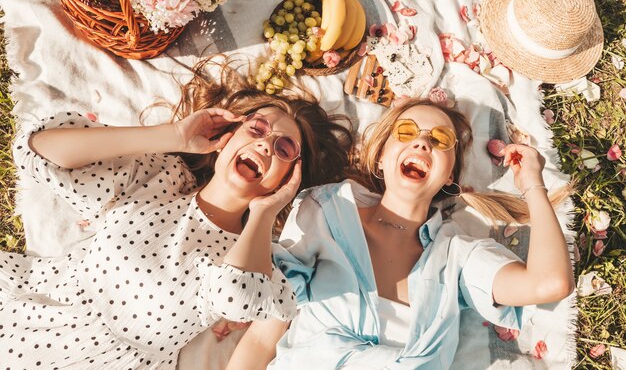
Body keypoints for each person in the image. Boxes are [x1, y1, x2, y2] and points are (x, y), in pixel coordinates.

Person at [0, 56, 352, 369]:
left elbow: (237, 295)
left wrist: (264, 210)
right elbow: (38, 152)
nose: (264, 144)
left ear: (288, 178)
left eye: (284, 148)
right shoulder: (161, 179)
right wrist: (172, 136)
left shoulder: (259, 261)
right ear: (227, 137)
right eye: (257, 129)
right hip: (34, 307)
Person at [225, 98, 575, 369]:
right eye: (406, 132)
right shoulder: (326, 211)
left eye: (439, 139)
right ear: (381, 157)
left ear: (450, 176)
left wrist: (532, 184)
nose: (422, 143)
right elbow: (263, 334)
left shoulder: (457, 254)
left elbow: (549, 283)